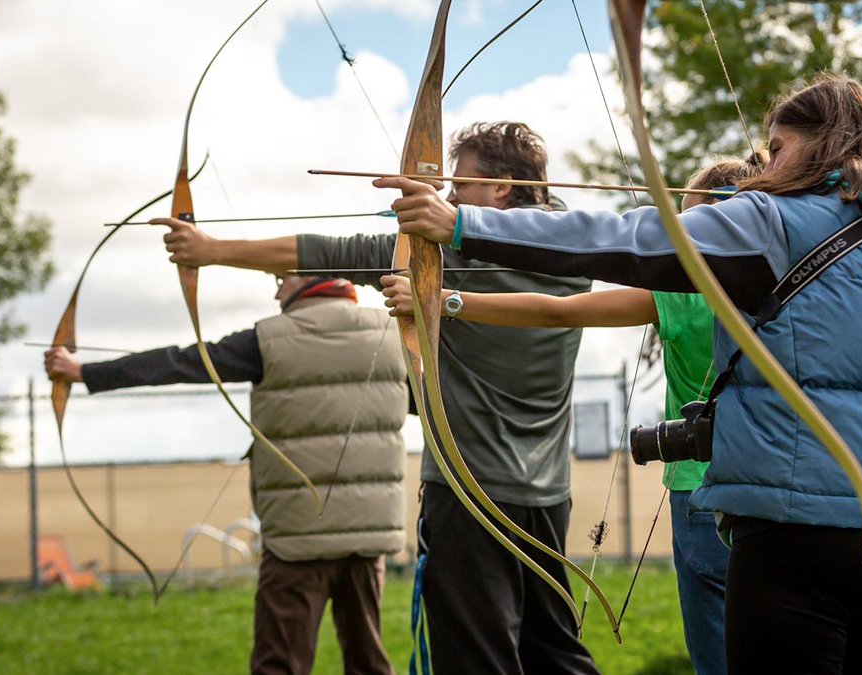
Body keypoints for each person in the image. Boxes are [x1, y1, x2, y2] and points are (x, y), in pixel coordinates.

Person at [379, 74, 862, 674]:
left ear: (819, 146)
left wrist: (462, 224)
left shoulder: (773, 222)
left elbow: (623, 236)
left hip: (797, 534)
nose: (765, 164)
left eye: (779, 148)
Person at [157, 122, 599, 674]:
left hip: (469, 496)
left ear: (503, 187)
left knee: (476, 658)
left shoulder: (449, 261)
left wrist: (211, 249)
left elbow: (331, 252)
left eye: (459, 186)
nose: (449, 197)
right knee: (554, 651)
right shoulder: (577, 251)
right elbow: (337, 251)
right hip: (548, 495)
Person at [380, 154, 765, 675]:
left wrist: (442, 300)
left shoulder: (686, 292)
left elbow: (556, 312)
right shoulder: (796, 286)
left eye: (692, 224)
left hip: (701, 492)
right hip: (779, 491)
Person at [44, 274, 406, 675]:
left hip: (296, 539)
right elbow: (432, 408)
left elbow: (181, 362)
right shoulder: (391, 334)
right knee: (369, 662)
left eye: (282, 280)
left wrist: (84, 372)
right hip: (367, 538)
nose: (276, 291)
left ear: (308, 276)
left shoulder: (269, 339)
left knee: (279, 666)